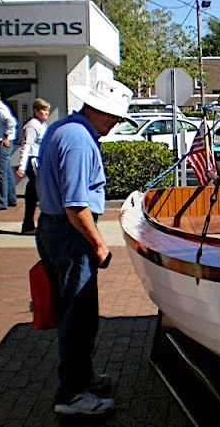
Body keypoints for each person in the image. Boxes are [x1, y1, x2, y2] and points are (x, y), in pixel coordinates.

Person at [36, 78, 132, 416]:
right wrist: (99, 245)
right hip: (70, 234)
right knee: (77, 315)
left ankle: (82, 379)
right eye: (114, 118)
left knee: (76, 313)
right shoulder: (78, 140)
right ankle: (72, 394)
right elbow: (76, 205)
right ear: (102, 111)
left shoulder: (62, 129)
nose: (114, 124)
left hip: (55, 230)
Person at [16, 98, 50, 234]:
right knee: (37, 191)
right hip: (33, 161)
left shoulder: (42, 125)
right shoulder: (32, 125)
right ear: (36, 111)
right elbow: (27, 145)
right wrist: (21, 166)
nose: (46, 113)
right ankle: (29, 224)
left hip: (40, 160)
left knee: (34, 191)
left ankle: (29, 224)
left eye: (47, 110)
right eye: (43, 110)